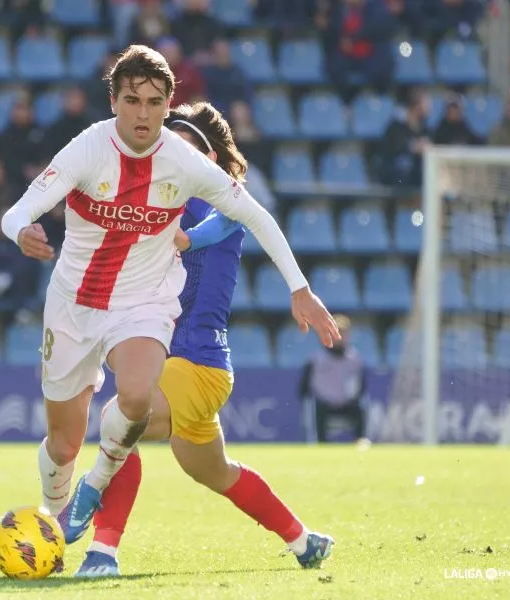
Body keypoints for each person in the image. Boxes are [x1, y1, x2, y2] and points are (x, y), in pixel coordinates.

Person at [0, 47, 340, 561]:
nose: (143, 114)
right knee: (87, 447)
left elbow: (241, 216)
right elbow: (22, 206)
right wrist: (22, 227)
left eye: (155, 104)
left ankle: (99, 544)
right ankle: (302, 540)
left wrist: (300, 287)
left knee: (128, 408)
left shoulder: (195, 185)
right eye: (132, 101)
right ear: (113, 101)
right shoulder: (90, 150)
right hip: (74, 307)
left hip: (163, 329)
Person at [66, 102, 335, 578]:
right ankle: (303, 540)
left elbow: (222, 224)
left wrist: (188, 240)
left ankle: (101, 553)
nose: (172, 152)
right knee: (216, 472)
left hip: (200, 364)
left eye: (186, 145)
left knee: (119, 419)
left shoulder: (220, 198)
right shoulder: (152, 200)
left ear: (209, 157)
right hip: (172, 360)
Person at [299, 314, 368, 445]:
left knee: (360, 408)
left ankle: (360, 442)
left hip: (347, 403)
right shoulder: (316, 360)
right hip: (323, 404)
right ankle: (321, 444)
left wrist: (349, 398)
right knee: (316, 409)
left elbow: (361, 387)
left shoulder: (355, 360)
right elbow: (304, 388)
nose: (339, 337)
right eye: (336, 332)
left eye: (343, 332)